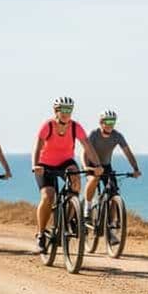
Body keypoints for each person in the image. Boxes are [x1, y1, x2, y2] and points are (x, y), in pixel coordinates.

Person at [31, 96, 103, 253]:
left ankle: (69, 218)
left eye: (69, 110)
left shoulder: (76, 127)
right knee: (48, 196)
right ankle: (41, 234)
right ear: (56, 111)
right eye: (62, 110)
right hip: (44, 164)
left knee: (76, 182)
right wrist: (35, 165)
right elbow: (37, 147)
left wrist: (97, 165)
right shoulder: (48, 126)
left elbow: (88, 146)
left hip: (65, 162)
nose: (66, 113)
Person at [81, 110, 141, 224]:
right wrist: (85, 167)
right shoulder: (94, 134)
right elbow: (85, 152)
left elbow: (128, 153)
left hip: (106, 165)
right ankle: (87, 208)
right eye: (108, 121)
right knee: (94, 179)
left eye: (113, 121)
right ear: (101, 122)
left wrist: (136, 169)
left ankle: (110, 226)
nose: (110, 124)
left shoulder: (117, 136)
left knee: (114, 192)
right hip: (91, 165)